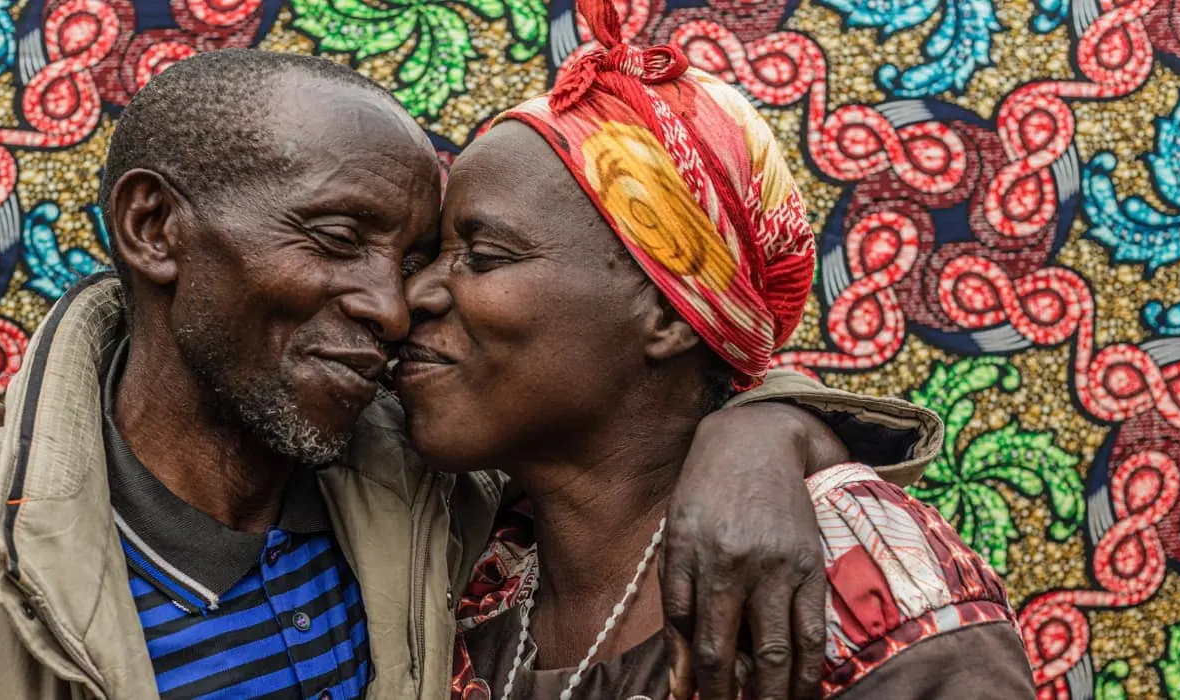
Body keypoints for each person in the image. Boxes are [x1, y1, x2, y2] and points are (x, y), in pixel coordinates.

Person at [0, 50, 947, 700]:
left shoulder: (433, 510)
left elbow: (657, 412)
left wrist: (764, 428)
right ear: (154, 228)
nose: (401, 303)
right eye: (338, 234)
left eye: (442, 255)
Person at [403, 2, 1037, 697]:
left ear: (669, 314)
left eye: (485, 256)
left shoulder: (861, 585)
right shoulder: (465, 556)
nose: (414, 296)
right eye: (430, 257)